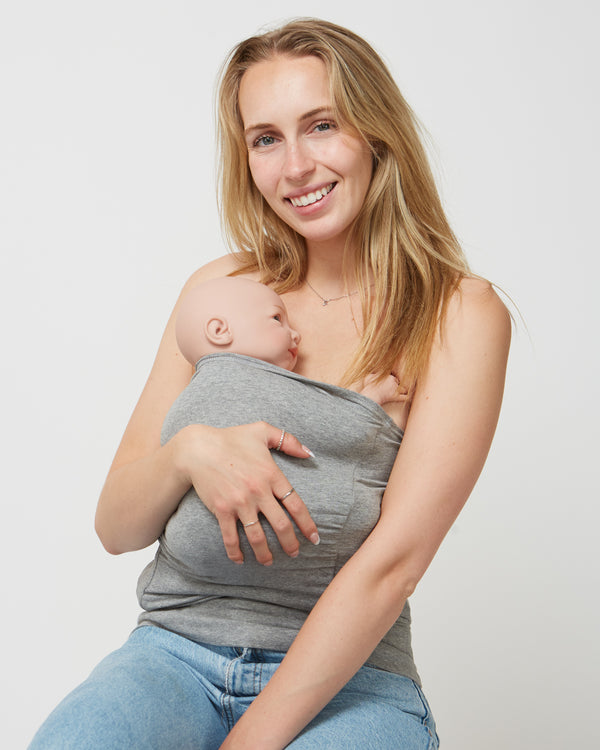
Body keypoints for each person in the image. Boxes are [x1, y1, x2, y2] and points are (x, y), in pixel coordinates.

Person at [29, 17, 511, 750]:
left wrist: (249, 742)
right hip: (173, 657)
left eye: (321, 126)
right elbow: (115, 525)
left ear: (376, 133)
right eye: (266, 138)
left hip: (352, 686)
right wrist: (192, 451)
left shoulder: (458, 315)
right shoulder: (221, 291)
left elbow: (393, 567)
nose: (295, 168)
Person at [175, 274, 405, 408]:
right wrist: (370, 397)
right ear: (219, 331)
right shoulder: (252, 388)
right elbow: (329, 435)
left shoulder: (190, 402)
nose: (296, 335)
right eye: (276, 318)